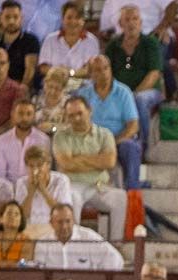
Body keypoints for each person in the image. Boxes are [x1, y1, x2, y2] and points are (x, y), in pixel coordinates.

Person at [52, 96, 127, 241]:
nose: (77, 118)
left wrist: (77, 158)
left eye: (80, 113)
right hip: (72, 186)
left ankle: (116, 245)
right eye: (71, 116)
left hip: (100, 186)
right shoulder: (60, 136)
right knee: (72, 198)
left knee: (120, 197)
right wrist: (97, 159)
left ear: (89, 111)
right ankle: (73, 244)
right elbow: (66, 164)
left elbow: (110, 162)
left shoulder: (105, 134)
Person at [105, 5, 163, 163]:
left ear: (141, 22)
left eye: (135, 19)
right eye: (127, 19)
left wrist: (131, 95)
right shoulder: (113, 46)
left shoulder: (150, 43)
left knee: (139, 100)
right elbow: (106, 72)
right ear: (120, 23)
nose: (131, 23)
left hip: (148, 91)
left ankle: (143, 148)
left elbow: (154, 73)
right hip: (119, 92)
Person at [73, 55, 142, 189]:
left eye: (106, 68)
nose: (103, 73)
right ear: (91, 74)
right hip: (91, 140)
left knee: (131, 147)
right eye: (98, 70)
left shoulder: (123, 92)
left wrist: (113, 142)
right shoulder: (83, 95)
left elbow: (133, 126)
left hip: (118, 140)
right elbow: (76, 122)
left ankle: (133, 194)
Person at [34, 203, 125, 269]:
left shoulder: (89, 237)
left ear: (73, 221)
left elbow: (116, 259)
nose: (64, 226)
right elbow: (39, 274)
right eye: (60, 222)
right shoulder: (43, 243)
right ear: (51, 223)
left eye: (68, 221)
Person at [37, 1, 100, 85]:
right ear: (63, 19)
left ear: (83, 20)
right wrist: (58, 74)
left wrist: (70, 73)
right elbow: (43, 67)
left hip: (82, 88)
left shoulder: (91, 41)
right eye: (69, 17)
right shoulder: (50, 40)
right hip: (54, 85)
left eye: (77, 17)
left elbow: (90, 70)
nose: (73, 22)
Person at [13, 142, 69, 235]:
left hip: (54, 229)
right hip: (29, 229)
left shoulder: (61, 181)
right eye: (31, 166)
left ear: (48, 165)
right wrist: (30, 193)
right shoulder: (21, 183)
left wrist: (43, 191)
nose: (35, 170)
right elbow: (21, 216)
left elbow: (63, 213)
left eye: (39, 165)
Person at [0, 2, 40, 91]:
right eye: (7, 17)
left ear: (21, 18)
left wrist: (19, 90)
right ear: (0, 18)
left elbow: (30, 71)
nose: (11, 21)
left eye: (15, 17)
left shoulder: (31, 41)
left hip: (20, 88)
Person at [0, 98, 48, 184]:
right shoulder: (0, 142)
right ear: (13, 115)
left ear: (34, 116)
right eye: (20, 113)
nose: (24, 118)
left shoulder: (43, 140)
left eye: (29, 114)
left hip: (36, 187)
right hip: (8, 191)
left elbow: (45, 171)